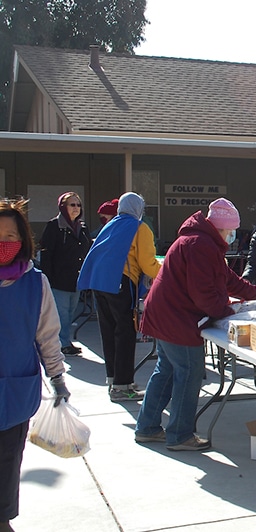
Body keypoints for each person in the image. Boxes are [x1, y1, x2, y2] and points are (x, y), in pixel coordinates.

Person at [135, 198, 256, 451]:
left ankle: (147, 427)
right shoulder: (200, 245)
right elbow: (203, 294)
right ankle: (180, 435)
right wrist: (228, 311)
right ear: (222, 228)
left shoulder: (201, 241)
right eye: (231, 231)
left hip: (165, 314)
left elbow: (228, 280)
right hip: (177, 320)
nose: (232, 236)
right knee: (188, 374)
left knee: (166, 371)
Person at [0, 197, 70, 532]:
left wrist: (57, 377)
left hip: (15, 390)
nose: (4, 243)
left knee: (8, 460)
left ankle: (3, 519)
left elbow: (47, 334)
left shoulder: (34, 281)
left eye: (11, 236)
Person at [77, 192, 161, 402]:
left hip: (99, 283)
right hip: (120, 282)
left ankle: (114, 380)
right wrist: (165, 271)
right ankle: (123, 387)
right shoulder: (139, 227)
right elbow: (146, 262)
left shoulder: (112, 224)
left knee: (108, 331)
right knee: (125, 333)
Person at [38, 192, 91, 355]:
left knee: (70, 312)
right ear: (63, 207)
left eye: (78, 205)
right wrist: (47, 278)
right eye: (72, 205)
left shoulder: (82, 228)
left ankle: (65, 341)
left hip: (76, 280)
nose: (76, 208)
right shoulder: (54, 226)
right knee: (61, 313)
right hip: (58, 280)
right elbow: (46, 254)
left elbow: (87, 251)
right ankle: (62, 344)